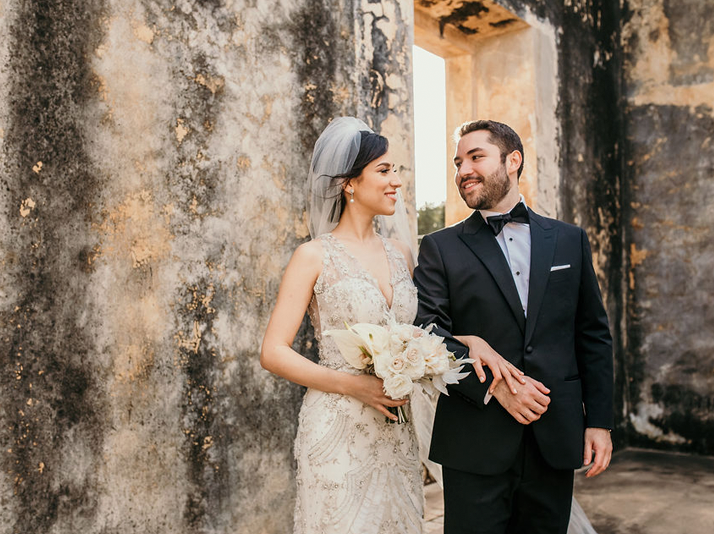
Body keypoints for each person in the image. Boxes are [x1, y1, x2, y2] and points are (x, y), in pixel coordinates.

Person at [259, 117, 519, 534]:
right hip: (338, 424)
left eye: (395, 170)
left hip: (397, 431)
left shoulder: (402, 252)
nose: (396, 180)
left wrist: (469, 341)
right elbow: (273, 351)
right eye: (383, 171)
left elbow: (422, 329)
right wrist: (353, 384)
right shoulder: (312, 256)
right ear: (349, 184)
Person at [413, 119, 614, 534]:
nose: (463, 170)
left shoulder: (568, 240)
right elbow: (428, 333)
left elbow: (592, 333)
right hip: (475, 439)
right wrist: (494, 386)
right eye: (457, 162)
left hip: (554, 435)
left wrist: (599, 421)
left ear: (513, 160)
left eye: (476, 157)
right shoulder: (440, 247)